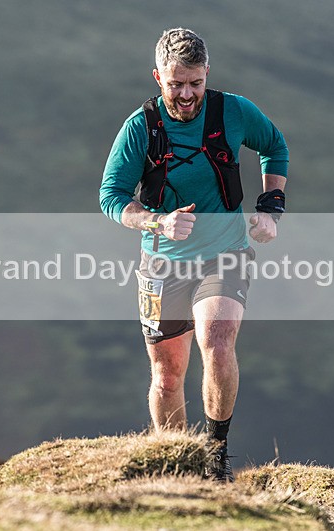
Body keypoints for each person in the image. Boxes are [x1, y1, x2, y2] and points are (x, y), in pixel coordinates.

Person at [100, 28, 288, 482]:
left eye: (195, 84)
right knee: (167, 373)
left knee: (217, 342)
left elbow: (274, 147)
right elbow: (112, 197)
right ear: (157, 77)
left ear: (207, 74)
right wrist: (156, 222)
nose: (186, 95)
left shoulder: (235, 112)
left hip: (226, 252)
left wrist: (270, 209)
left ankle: (215, 459)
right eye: (175, 84)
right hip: (161, 260)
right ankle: (177, 467)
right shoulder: (140, 127)